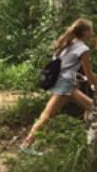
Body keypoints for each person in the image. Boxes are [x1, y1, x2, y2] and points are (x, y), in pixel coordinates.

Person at [21, 18, 96, 150]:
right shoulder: (83, 49)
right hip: (65, 86)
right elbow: (89, 75)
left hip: (66, 84)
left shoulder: (69, 43)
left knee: (91, 107)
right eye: (91, 30)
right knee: (47, 115)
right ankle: (26, 145)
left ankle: (88, 141)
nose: (92, 33)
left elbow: (63, 65)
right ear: (84, 32)